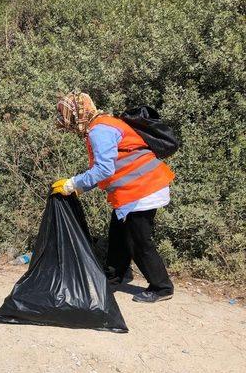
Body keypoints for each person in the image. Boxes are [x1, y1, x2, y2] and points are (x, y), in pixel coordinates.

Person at [52, 91, 175, 303]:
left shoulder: (99, 130)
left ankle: (162, 287)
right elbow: (111, 167)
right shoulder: (104, 123)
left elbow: (104, 169)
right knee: (118, 235)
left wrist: (73, 184)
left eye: (67, 117)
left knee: (139, 241)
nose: (66, 122)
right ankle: (113, 278)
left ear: (77, 113)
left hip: (142, 190)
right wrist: (82, 188)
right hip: (136, 190)